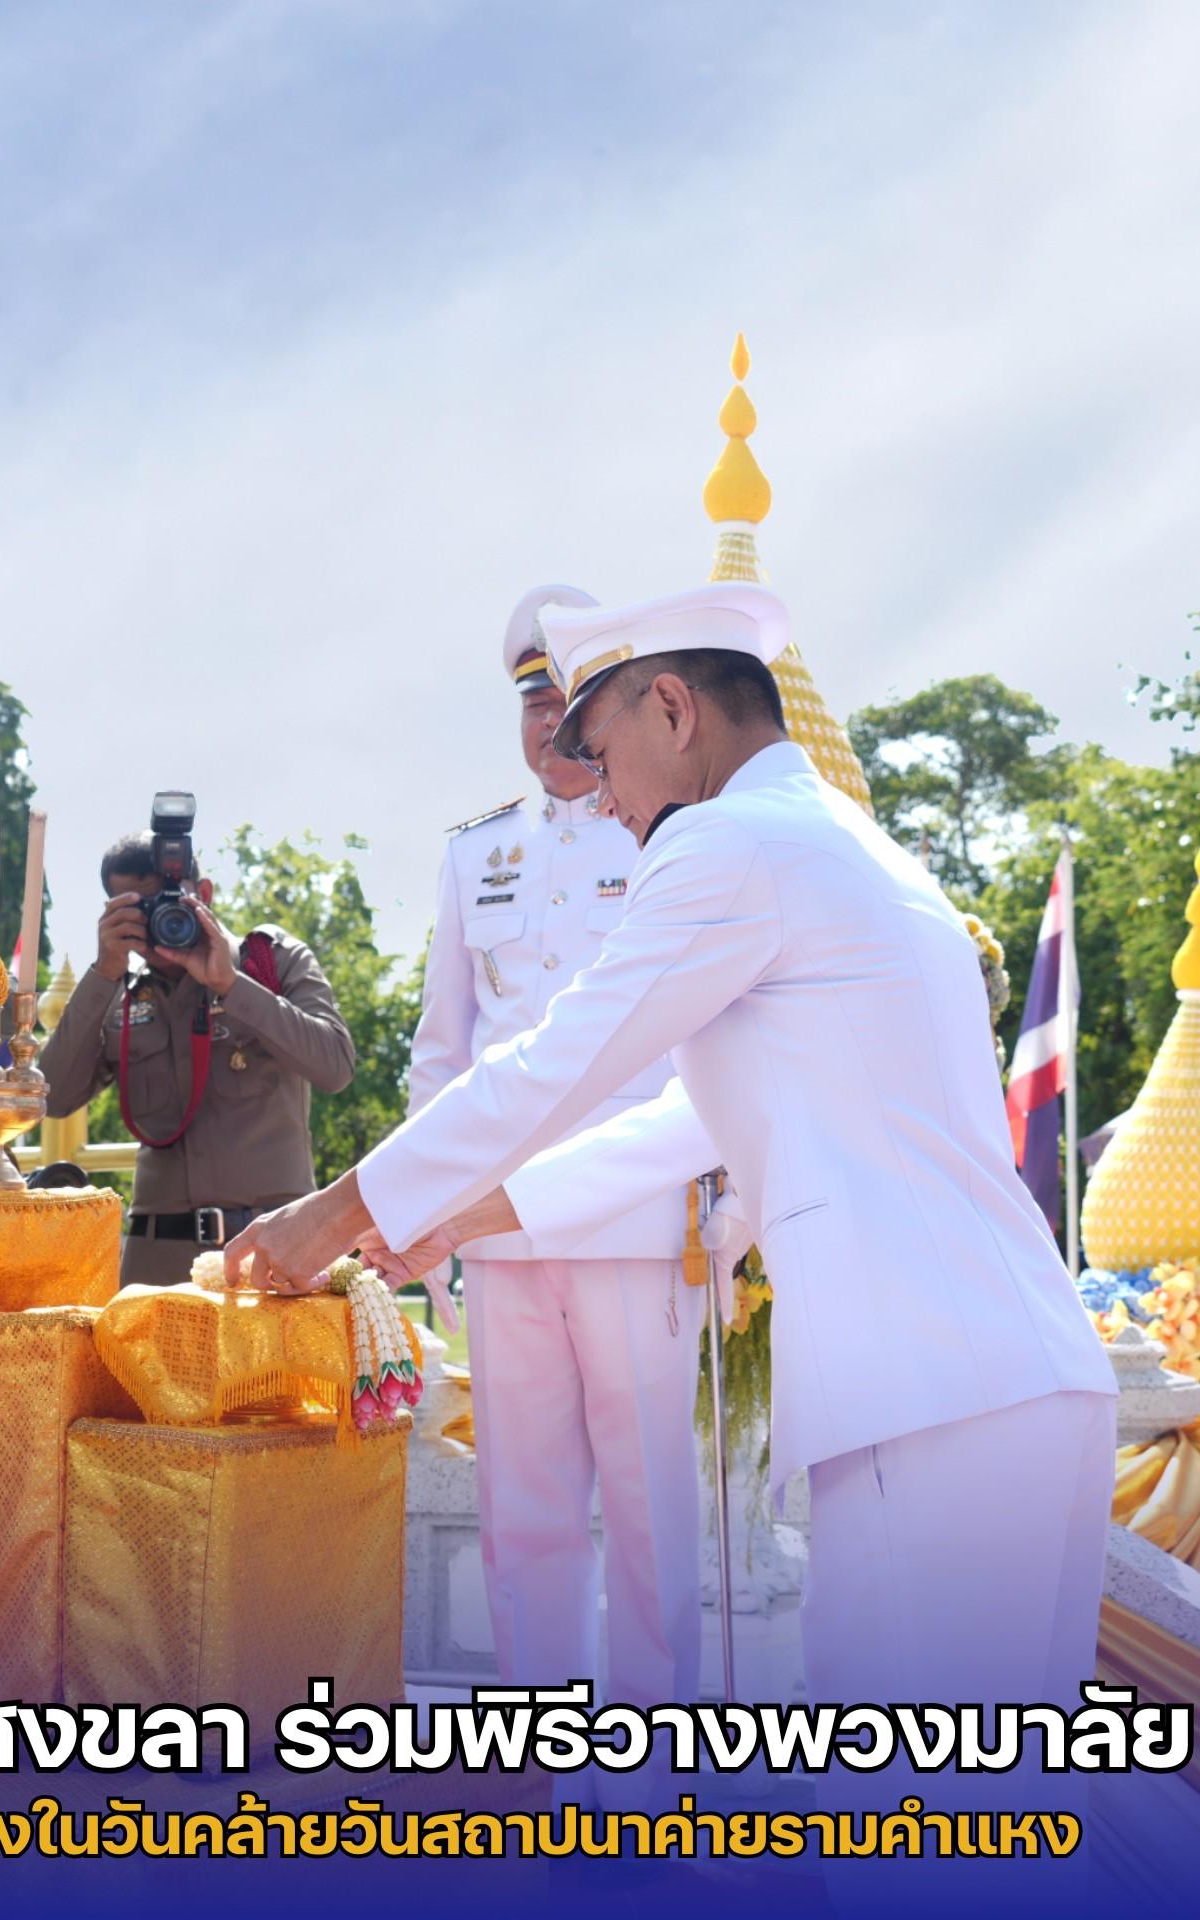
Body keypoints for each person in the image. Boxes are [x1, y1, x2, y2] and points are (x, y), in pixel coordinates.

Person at [226, 584, 1117, 1889]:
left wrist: (334, 1209)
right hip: (1026, 1386)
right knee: (1006, 1853)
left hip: (924, 1404)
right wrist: (449, 1219)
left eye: (600, 751)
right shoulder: (846, 846)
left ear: (673, 707)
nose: (597, 794)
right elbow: (676, 1127)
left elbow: (555, 1063)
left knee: (912, 1858)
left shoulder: (727, 848)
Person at [406, 583, 703, 1732]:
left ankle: (652, 1768)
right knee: (521, 1513)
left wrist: (719, 1206)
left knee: (648, 1509)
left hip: (634, 1221)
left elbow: (703, 1039)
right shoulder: (476, 853)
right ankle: (547, 1755)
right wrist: (430, 1222)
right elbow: (443, 1054)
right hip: (500, 1231)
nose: (546, 723)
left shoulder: (673, 840)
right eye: (530, 702)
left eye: (564, 701)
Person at [38, 822, 355, 1286]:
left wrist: (232, 985)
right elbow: (51, 1098)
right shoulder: (117, 995)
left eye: (166, 902)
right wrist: (104, 973)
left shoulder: (269, 961)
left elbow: (336, 1066)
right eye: (137, 911)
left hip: (270, 1251)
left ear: (203, 893)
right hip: (158, 1262)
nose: (156, 923)